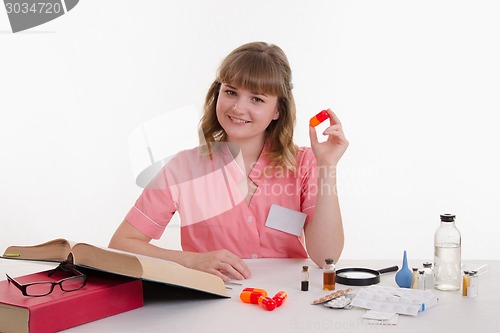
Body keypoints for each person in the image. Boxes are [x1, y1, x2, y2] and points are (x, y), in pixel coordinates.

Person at [109, 41, 349, 282]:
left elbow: (326, 257)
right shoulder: (182, 168)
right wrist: (191, 261)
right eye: (231, 92)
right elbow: (121, 245)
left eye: (256, 99)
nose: (238, 108)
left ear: (278, 110)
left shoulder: (304, 164)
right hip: (210, 305)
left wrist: (327, 166)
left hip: (286, 301)